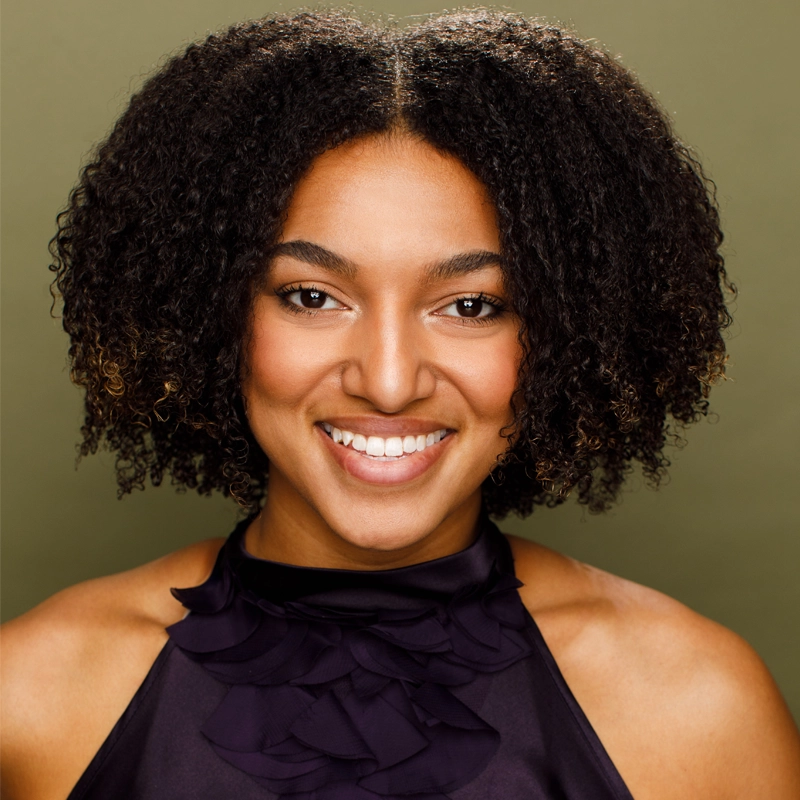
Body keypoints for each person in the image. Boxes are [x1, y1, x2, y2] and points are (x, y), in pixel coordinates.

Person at [2, 8, 799, 799]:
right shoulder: (32, 696)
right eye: (312, 296)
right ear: (206, 310)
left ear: (567, 334)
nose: (388, 382)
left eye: (472, 306)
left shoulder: (697, 710)